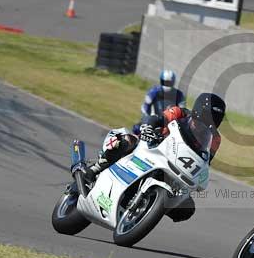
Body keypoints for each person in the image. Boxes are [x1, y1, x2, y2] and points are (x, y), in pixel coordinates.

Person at [85, 93, 226, 223]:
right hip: (152, 148)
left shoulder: (215, 139)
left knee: (187, 208)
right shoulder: (179, 113)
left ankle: (152, 207)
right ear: (196, 113)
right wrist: (148, 128)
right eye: (199, 122)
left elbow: (205, 161)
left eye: (207, 125)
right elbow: (155, 119)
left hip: (176, 167)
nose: (200, 127)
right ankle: (97, 167)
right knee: (127, 141)